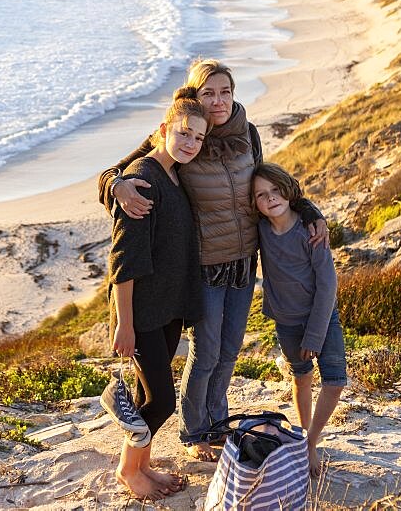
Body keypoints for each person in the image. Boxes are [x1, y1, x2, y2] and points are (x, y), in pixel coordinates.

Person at [98, 58, 328, 462]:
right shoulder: (184, 133)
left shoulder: (248, 135)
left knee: (229, 351)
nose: (218, 100)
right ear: (193, 97)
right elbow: (123, 168)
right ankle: (194, 430)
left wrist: (308, 210)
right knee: (205, 354)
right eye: (209, 93)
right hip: (204, 267)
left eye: (225, 91)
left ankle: (216, 422)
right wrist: (115, 185)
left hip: (244, 262)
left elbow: (269, 184)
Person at [106, 86, 211, 500]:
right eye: (184, 133)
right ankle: (128, 471)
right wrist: (125, 325)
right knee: (163, 400)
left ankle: (141, 465)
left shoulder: (173, 175)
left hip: (166, 308)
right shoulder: (142, 181)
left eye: (199, 138)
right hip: (141, 313)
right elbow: (123, 264)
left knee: (148, 395)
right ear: (164, 128)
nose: (191, 144)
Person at [252, 162, 347, 477]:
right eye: (262, 195)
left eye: (276, 191)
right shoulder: (261, 230)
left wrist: (315, 334)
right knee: (300, 377)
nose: (270, 199)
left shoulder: (310, 231)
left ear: (288, 191)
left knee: (334, 382)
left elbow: (328, 285)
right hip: (286, 322)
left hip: (321, 318)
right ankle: (303, 438)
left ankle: (312, 440)